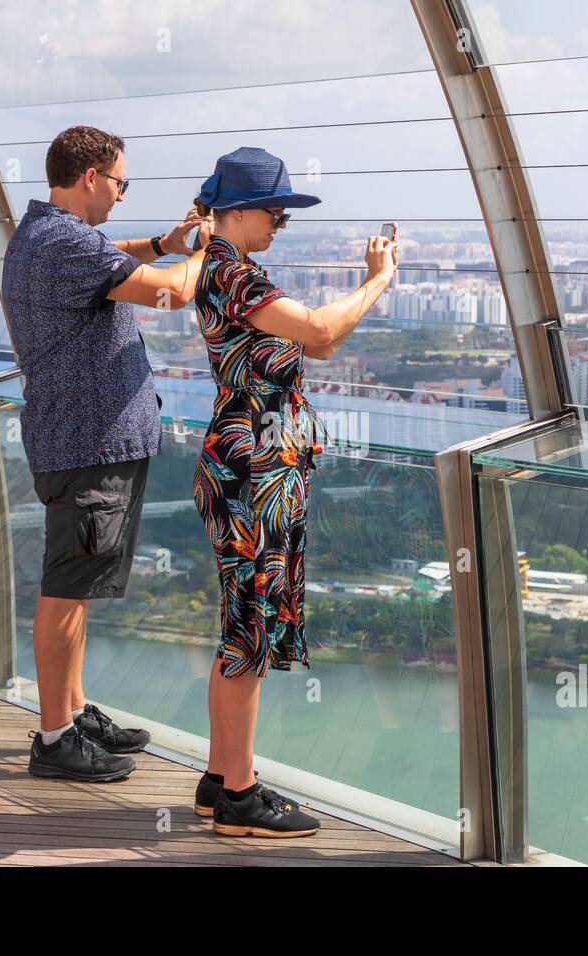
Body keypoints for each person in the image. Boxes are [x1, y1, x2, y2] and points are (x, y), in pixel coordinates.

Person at [188, 147, 398, 836]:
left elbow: (320, 346)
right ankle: (241, 799)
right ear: (238, 210)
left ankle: (222, 780)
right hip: (253, 471)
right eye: (275, 213)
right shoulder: (230, 274)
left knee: (240, 626)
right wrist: (379, 280)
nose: (280, 224)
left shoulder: (237, 272)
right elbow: (322, 329)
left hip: (256, 467)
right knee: (248, 633)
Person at [1, 126, 211, 783]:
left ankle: (75, 708)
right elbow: (169, 292)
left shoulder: (43, 234)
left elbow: (110, 254)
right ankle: (55, 738)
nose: (122, 196)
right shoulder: (63, 241)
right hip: (87, 443)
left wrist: (162, 244)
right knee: (65, 589)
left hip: (79, 437)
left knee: (78, 586)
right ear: (90, 176)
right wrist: (212, 249)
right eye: (120, 182)